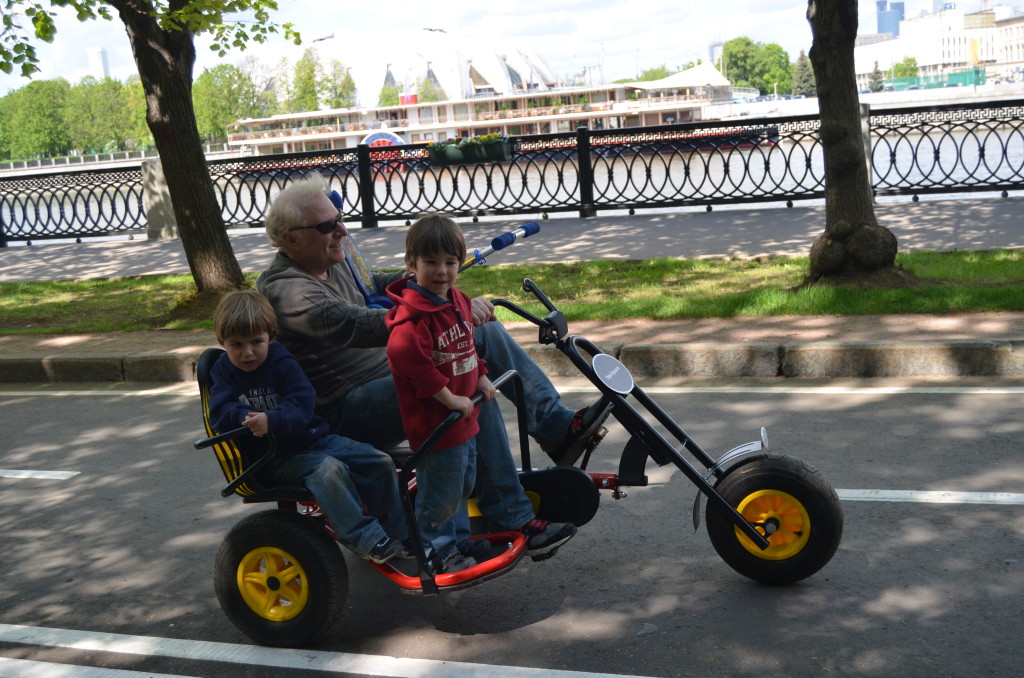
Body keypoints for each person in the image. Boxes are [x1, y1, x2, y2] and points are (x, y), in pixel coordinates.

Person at [256, 175, 610, 558]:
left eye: (340, 219)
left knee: (479, 342)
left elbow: (372, 285)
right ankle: (509, 513)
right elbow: (359, 324)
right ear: (291, 239)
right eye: (328, 226)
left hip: (390, 376)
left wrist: (421, 279)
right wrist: (446, 309)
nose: (341, 230)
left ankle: (556, 428)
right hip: (348, 408)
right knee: (462, 377)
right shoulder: (284, 289)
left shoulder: (329, 256)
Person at [207, 289, 409, 564]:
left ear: (271, 337)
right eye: (236, 345)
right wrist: (243, 416)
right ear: (223, 342)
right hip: (271, 458)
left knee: (378, 460)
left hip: (311, 439)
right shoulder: (222, 371)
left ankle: (396, 536)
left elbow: (303, 404)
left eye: (257, 341)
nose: (248, 352)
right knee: (328, 470)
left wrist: (273, 419)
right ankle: (367, 540)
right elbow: (219, 411)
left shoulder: (281, 361)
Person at [384, 215, 494, 573]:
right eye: (430, 262)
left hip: (464, 418)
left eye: (450, 262)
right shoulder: (412, 317)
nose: (442, 271)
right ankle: (436, 549)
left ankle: (458, 542)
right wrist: (448, 399)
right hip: (437, 424)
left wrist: (480, 377)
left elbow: (466, 346)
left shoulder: (457, 301)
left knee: (463, 486)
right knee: (440, 495)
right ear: (411, 265)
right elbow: (409, 362)